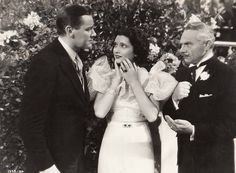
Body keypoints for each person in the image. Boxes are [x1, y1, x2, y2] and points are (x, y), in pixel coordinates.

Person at [87, 28, 177, 173]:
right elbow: (99, 112)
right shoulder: (108, 76)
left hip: (139, 138)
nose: (116, 50)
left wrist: (134, 82)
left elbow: (152, 115)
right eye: (115, 45)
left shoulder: (149, 77)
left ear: (135, 51)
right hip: (112, 138)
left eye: (123, 46)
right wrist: (115, 81)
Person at [19, 4, 96, 173]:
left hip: (73, 163)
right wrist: (48, 168)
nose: (94, 34)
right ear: (70, 31)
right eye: (89, 29)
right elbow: (29, 124)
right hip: (52, 166)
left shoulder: (77, 60)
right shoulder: (46, 62)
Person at [163, 21, 236, 173]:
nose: (182, 50)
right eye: (181, 44)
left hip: (216, 164)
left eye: (188, 44)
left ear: (207, 44)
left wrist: (194, 130)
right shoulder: (181, 73)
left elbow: (232, 125)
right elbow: (168, 112)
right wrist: (174, 99)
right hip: (186, 163)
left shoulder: (227, 75)